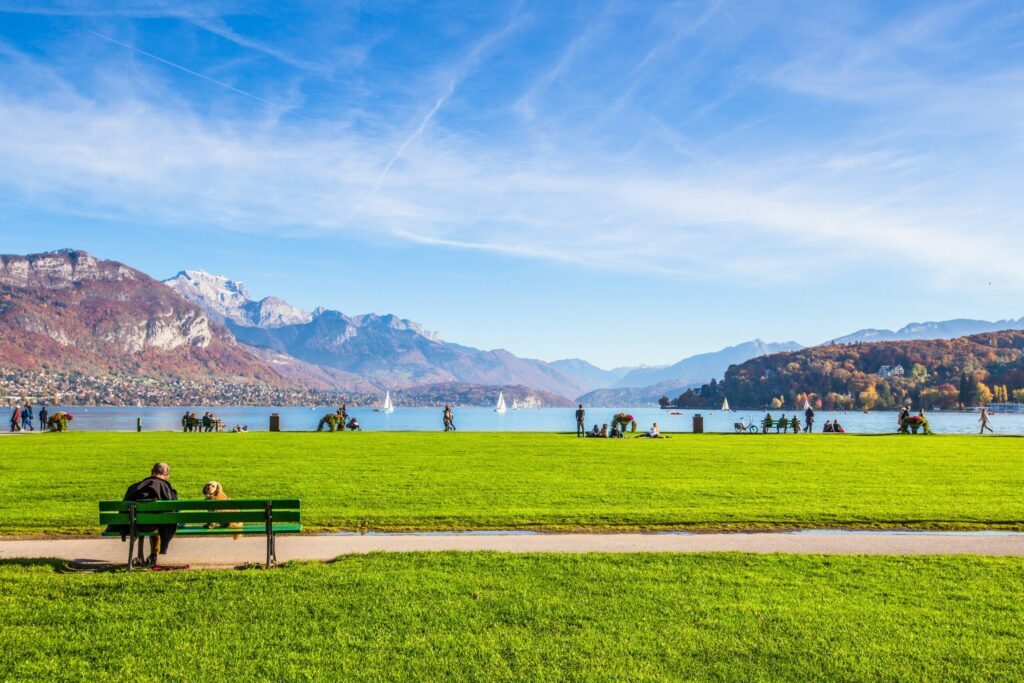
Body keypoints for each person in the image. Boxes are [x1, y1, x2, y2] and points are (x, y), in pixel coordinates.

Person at [120, 463, 179, 567]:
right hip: (158, 526)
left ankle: (141, 557)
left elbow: (123, 509)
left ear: (152, 472)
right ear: (167, 475)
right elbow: (175, 510)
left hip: (135, 525)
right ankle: (153, 555)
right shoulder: (167, 488)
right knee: (160, 519)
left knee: (151, 519)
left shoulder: (135, 487)